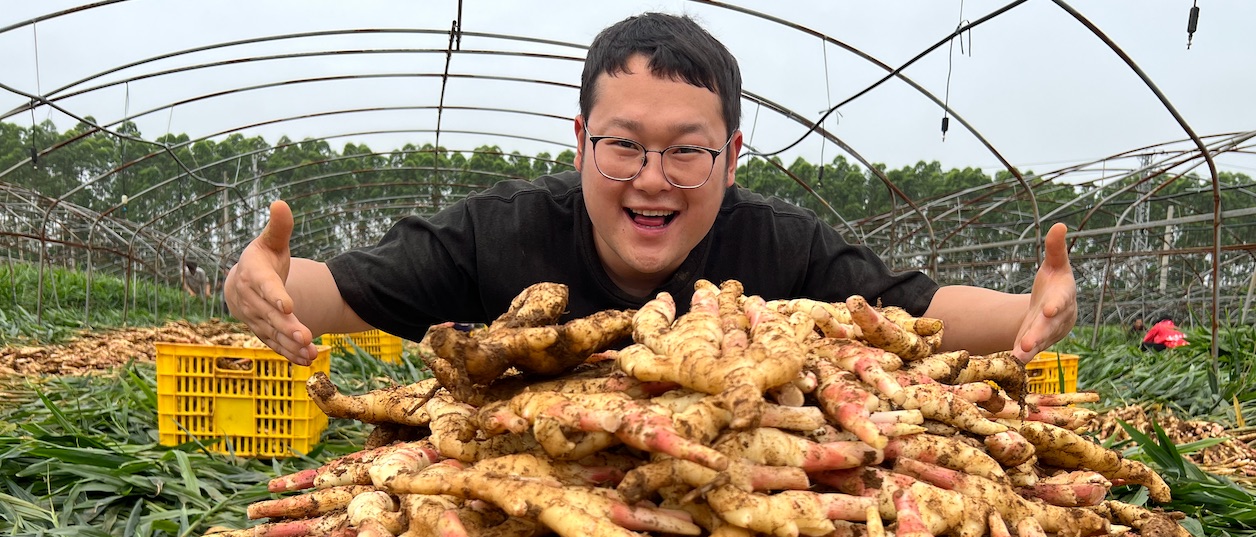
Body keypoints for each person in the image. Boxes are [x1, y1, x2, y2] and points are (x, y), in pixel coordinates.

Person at [224, 12, 1076, 368]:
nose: (652, 180)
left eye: (687, 152)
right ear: (581, 141)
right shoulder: (501, 233)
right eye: (623, 146)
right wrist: (255, 279)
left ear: (733, 155)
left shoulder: (774, 246)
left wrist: (1025, 307)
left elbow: (911, 309)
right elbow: (332, 291)